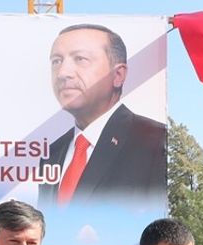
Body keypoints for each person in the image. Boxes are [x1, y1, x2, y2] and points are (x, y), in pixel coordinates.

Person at [38, 23, 166, 207]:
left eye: (80, 59)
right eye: (56, 61)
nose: (63, 73)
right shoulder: (51, 153)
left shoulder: (155, 141)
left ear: (118, 75)